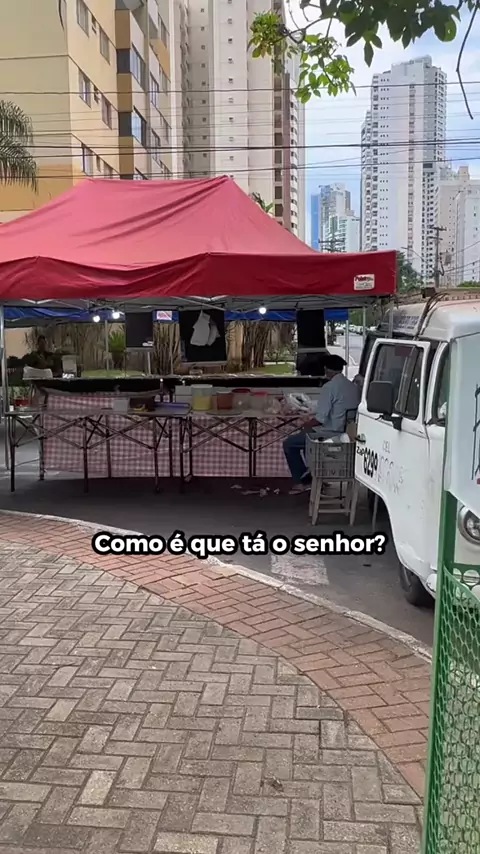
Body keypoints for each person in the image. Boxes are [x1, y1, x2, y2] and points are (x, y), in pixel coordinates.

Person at [283, 354, 360, 494]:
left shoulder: (329, 387)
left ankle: (301, 482)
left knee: (289, 443)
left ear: (326, 369)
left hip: (330, 433)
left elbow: (320, 419)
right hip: (347, 432)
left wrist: (305, 424)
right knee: (304, 437)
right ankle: (315, 476)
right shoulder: (352, 386)